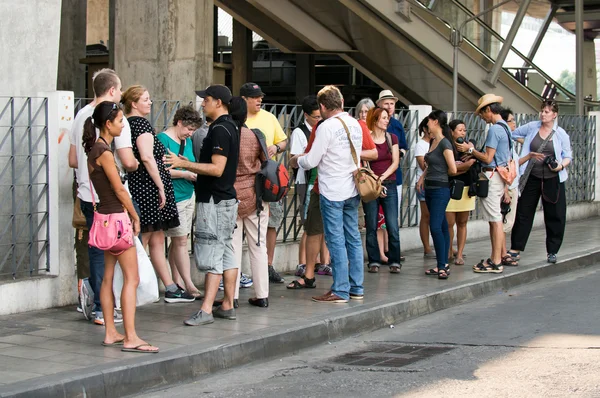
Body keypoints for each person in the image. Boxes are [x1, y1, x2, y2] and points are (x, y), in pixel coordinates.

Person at [82, 101, 158, 353]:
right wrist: (135, 216)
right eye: (119, 120)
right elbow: (119, 190)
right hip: (117, 219)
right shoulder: (104, 152)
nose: (123, 123)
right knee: (131, 278)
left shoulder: (93, 150)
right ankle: (131, 337)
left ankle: (111, 332)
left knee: (107, 277)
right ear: (107, 124)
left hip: (103, 218)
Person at [165, 85, 240, 326]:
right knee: (226, 252)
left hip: (215, 201)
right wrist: (190, 162)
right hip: (225, 199)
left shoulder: (219, 129)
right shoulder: (230, 126)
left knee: (213, 254)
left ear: (218, 102)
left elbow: (217, 169)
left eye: (206, 99)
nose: (202, 104)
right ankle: (227, 304)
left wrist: (184, 165)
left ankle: (206, 309)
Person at [68, 68, 138, 325]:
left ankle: (95, 303)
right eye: (119, 90)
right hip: (111, 202)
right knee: (119, 262)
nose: (121, 94)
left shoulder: (81, 116)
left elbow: (73, 159)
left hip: (87, 196)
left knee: (96, 251)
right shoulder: (115, 120)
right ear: (111, 91)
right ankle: (104, 309)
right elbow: (128, 162)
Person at [287, 101, 376, 291]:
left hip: (332, 190)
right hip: (342, 189)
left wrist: (297, 160)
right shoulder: (350, 124)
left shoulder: (332, 126)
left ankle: (341, 289)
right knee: (347, 237)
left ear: (323, 106)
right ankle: (355, 287)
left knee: (336, 240)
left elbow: (311, 159)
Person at [122, 85, 191, 302]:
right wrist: (161, 185)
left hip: (144, 185)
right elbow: (147, 157)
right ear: (134, 103)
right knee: (146, 238)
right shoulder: (140, 124)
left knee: (157, 238)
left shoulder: (127, 124)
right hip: (147, 187)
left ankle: (170, 286)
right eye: (145, 99)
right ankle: (137, 287)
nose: (150, 102)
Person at [508, 100, 572, 264]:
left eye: (547, 112)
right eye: (542, 111)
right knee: (524, 212)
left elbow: (568, 156)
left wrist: (560, 166)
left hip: (553, 178)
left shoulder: (560, 133)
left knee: (555, 214)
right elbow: (513, 134)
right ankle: (515, 248)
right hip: (531, 176)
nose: (543, 114)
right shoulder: (532, 127)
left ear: (555, 115)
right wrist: (528, 146)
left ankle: (552, 251)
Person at [456, 94, 512, 274]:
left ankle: (496, 261)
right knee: (495, 219)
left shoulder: (495, 129)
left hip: (492, 176)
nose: (481, 117)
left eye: (482, 113)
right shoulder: (506, 127)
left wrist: (470, 150)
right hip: (501, 176)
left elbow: (488, 158)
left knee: (495, 220)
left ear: (489, 110)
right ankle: (495, 258)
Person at [226, 97, 270, 308]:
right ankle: (262, 295)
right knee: (258, 247)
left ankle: (232, 297)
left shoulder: (224, 134)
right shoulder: (255, 135)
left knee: (232, 248)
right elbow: (265, 162)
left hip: (231, 197)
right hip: (255, 196)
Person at [242, 82, 288, 284]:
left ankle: (268, 266)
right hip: (245, 180)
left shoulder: (269, 117)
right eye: (255, 97)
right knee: (242, 225)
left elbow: (284, 141)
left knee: (272, 222)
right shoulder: (237, 119)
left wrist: (276, 148)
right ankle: (243, 270)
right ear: (244, 99)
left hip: (269, 181)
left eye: (260, 96)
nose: (259, 99)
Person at [156, 106, 203, 299]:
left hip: (188, 194)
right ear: (179, 122)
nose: (190, 133)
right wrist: (184, 173)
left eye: (193, 130)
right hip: (174, 196)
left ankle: (178, 280)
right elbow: (161, 169)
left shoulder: (188, 141)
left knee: (179, 240)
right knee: (181, 240)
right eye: (188, 129)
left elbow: (187, 161)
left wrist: (187, 168)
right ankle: (189, 284)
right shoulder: (163, 139)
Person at [416, 110, 457, 280]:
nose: (427, 125)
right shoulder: (433, 141)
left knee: (434, 226)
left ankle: (442, 266)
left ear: (435, 122)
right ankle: (444, 263)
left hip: (440, 189)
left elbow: (453, 169)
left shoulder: (445, 143)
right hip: (430, 188)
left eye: (429, 121)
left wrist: (439, 173)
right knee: (440, 225)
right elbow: (429, 164)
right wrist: (423, 177)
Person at [289, 95, 327, 276]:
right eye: (315, 117)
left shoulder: (324, 129)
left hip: (322, 181)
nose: (319, 119)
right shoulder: (299, 132)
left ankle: (323, 262)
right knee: (308, 225)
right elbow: (294, 160)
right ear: (306, 115)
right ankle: (302, 263)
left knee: (322, 225)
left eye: (321, 116)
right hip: (306, 181)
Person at [362, 107, 401, 273]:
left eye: (387, 117)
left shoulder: (392, 138)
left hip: (389, 183)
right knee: (371, 224)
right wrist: (376, 180)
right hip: (371, 185)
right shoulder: (367, 140)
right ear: (375, 119)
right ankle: (373, 260)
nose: (387, 120)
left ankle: (394, 260)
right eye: (383, 118)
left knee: (392, 225)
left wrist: (382, 178)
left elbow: (395, 162)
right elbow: (362, 161)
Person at [376, 90, 408, 261]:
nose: (389, 107)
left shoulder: (396, 124)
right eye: (386, 103)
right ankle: (380, 252)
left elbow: (404, 147)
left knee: (392, 216)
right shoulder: (372, 124)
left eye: (392, 104)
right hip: (376, 178)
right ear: (379, 105)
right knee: (377, 217)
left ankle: (391, 250)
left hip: (395, 177)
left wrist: (396, 154)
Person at [445, 119, 476, 266]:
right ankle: (449, 250)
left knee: (462, 222)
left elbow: (474, 164)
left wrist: (470, 152)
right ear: (452, 132)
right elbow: (449, 171)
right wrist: (465, 165)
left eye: (464, 130)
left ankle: (460, 253)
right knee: (449, 222)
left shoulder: (469, 146)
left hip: (466, 187)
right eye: (460, 130)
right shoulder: (447, 146)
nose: (463, 132)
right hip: (451, 187)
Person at [414, 117, 434, 258]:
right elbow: (423, 165)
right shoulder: (421, 145)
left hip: (434, 183)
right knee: (426, 216)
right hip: (424, 184)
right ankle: (427, 248)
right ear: (425, 129)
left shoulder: (437, 143)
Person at [500, 108, 520, 235]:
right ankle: (499, 253)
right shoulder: (504, 142)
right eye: (511, 120)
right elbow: (503, 166)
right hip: (508, 186)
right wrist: (506, 190)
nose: (514, 123)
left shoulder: (510, 140)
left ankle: (500, 252)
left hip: (513, 185)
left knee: (506, 222)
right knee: (506, 223)